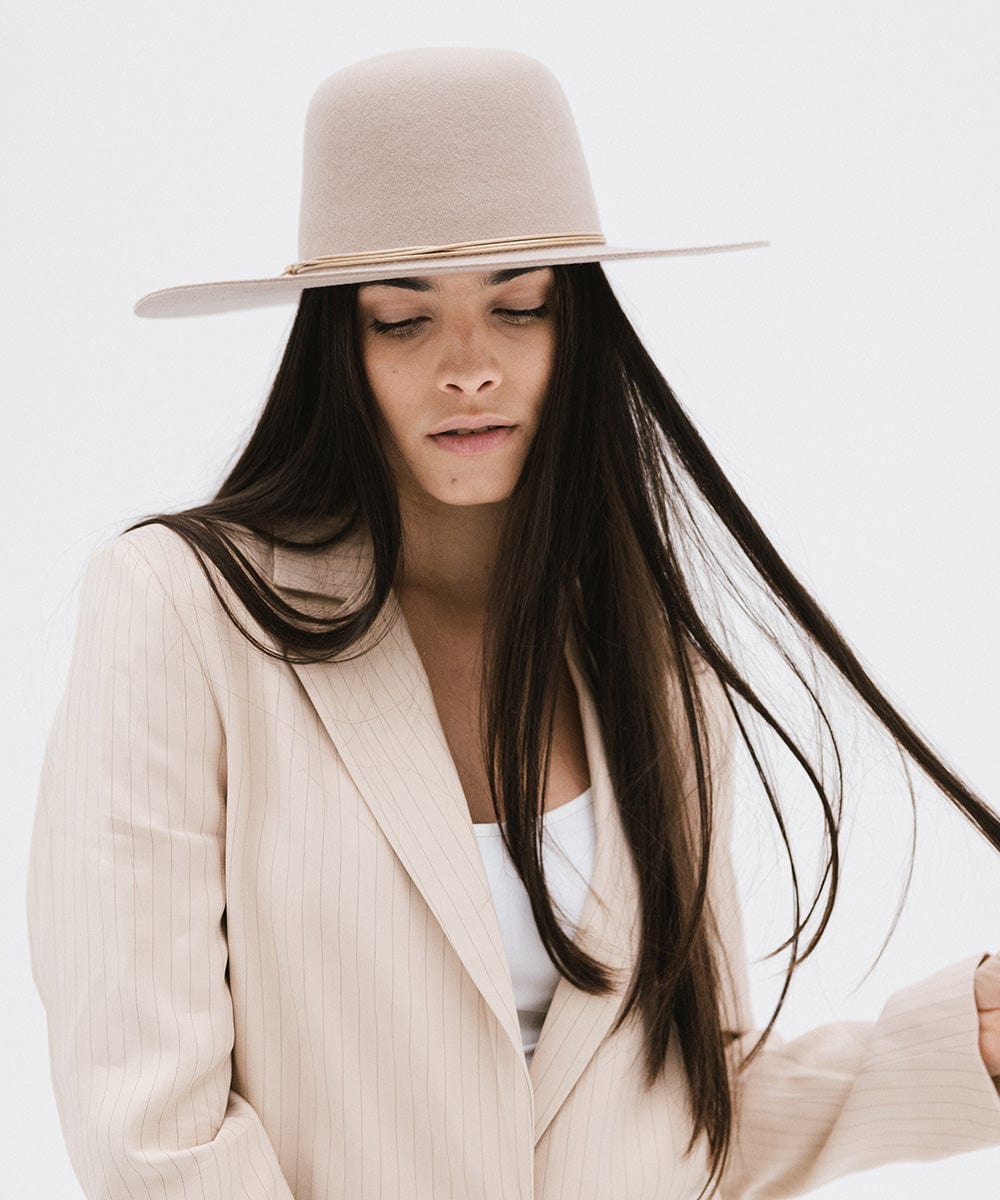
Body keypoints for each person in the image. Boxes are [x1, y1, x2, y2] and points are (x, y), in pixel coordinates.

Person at [24, 45, 1000, 1200]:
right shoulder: (179, 615)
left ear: (573, 328)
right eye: (402, 320)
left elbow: (689, 1125)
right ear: (338, 346)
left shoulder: (653, 664)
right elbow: (153, 1139)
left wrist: (966, 1043)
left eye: (518, 305)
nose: (469, 367)